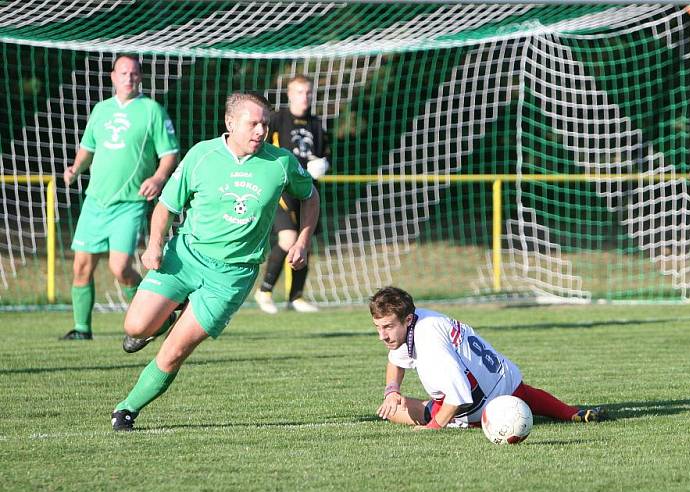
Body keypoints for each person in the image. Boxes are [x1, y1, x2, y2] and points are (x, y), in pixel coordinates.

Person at [110, 91, 320, 431]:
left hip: (232, 277)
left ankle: (127, 409)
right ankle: (163, 320)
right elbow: (165, 207)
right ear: (230, 123)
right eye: (252, 124)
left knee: (176, 351)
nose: (260, 131)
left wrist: (303, 240)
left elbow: (310, 196)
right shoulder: (202, 155)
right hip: (185, 257)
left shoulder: (280, 163)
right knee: (135, 327)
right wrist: (153, 246)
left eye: (264, 125)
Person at [369, 286, 608, 430]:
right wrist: (392, 391)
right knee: (526, 394)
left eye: (387, 327)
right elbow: (395, 359)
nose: (382, 336)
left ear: (407, 320)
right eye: (378, 327)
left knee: (397, 413)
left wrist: (432, 428)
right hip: (511, 384)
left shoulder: (429, 344)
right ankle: (569, 412)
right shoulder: (420, 318)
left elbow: (459, 397)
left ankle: (431, 412)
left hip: (483, 408)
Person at [61, 54, 179, 340]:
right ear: (113, 76)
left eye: (134, 73)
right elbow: (88, 146)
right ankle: (82, 329)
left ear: (140, 77)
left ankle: (155, 317)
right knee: (81, 266)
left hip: (130, 203)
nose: (129, 77)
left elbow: (170, 154)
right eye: (123, 73)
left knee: (120, 267)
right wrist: (76, 167)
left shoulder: (152, 110)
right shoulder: (101, 110)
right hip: (95, 200)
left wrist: (158, 178)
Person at [254, 74, 329, 314]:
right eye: (299, 92)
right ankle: (264, 291)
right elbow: (262, 150)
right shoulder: (277, 119)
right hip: (281, 190)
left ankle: (295, 297)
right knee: (288, 240)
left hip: (306, 191)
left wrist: (323, 165)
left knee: (304, 243)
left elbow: (325, 154)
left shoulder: (316, 124)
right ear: (289, 94)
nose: (304, 97)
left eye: (308, 93)